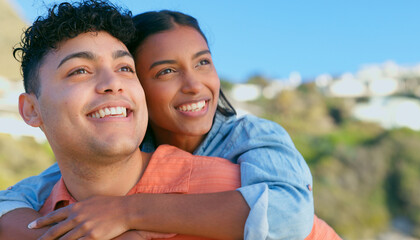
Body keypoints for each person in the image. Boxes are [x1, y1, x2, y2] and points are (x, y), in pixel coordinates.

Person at [0, 1, 317, 239]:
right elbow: (14, 197)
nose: (193, 85)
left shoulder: (248, 141)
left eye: (203, 62)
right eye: (165, 71)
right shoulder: (84, 172)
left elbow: (289, 213)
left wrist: (130, 213)